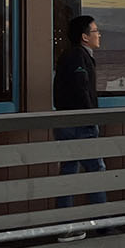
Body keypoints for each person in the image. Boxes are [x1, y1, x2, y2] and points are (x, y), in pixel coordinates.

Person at [53, 15, 106, 207]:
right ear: (85, 37)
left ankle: (64, 223)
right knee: (95, 168)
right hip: (80, 122)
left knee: (69, 168)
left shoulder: (70, 55)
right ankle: (103, 223)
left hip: (67, 121)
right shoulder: (78, 56)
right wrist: (91, 115)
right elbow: (80, 89)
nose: (99, 35)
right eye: (95, 31)